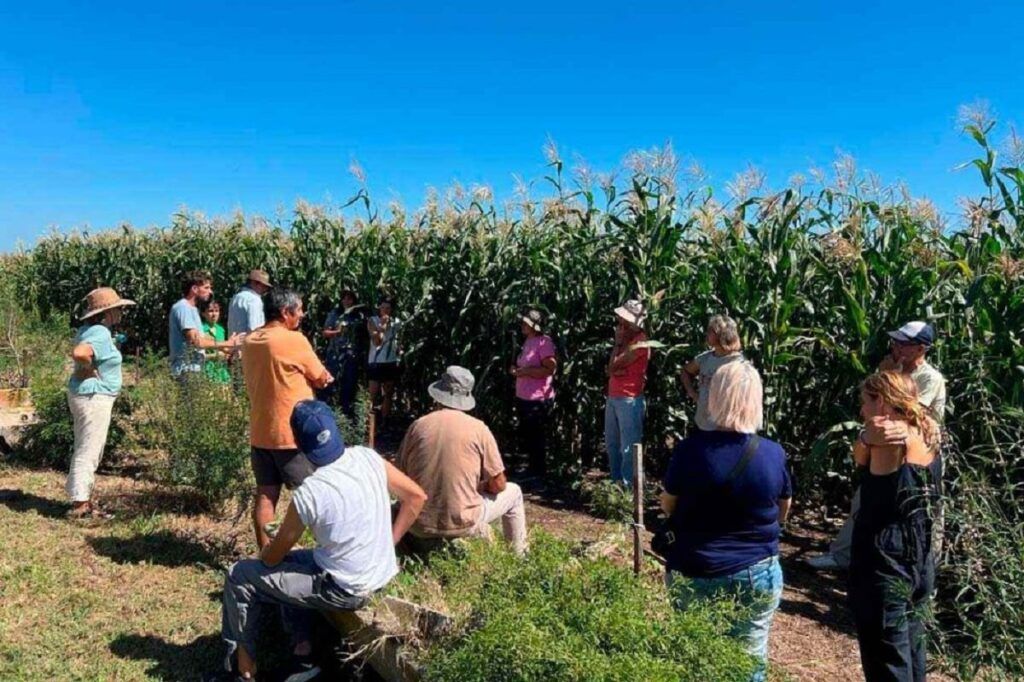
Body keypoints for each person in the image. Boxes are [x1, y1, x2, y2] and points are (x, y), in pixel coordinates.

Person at [205, 399, 427, 682]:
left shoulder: (310, 492)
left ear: (299, 443)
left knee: (240, 576)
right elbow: (417, 497)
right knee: (294, 565)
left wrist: (268, 549)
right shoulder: (368, 457)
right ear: (335, 430)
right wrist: (389, 541)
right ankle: (303, 655)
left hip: (345, 587)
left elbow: (272, 558)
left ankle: (243, 672)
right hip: (379, 572)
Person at [660, 361, 792, 682]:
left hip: (694, 568)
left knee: (695, 660)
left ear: (713, 397)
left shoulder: (689, 451)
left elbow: (667, 505)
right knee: (747, 665)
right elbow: (783, 509)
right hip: (755, 571)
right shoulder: (773, 454)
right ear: (756, 401)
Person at [805, 321, 946, 571]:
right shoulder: (892, 367)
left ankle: (921, 572)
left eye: (904, 343)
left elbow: (906, 413)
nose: (896, 347)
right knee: (865, 500)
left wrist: (888, 375)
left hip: (914, 457)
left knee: (917, 512)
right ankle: (845, 556)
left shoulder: (929, 378)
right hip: (885, 448)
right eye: (896, 341)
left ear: (922, 349)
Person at [848, 371, 939, 682]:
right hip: (921, 553)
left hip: (886, 555)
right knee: (912, 650)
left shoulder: (887, 438)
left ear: (882, 402)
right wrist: (863, 438)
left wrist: (867, 437)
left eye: (865, 402)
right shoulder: (927, 428)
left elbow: (863, 462)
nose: (862, 411)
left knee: (886, 658)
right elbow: (860, 456)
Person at [396, 366, 528, 554]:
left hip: (418, 524)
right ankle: (519, 555)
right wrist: (481, 487)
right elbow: (499, 485)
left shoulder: (418, 426)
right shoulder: (479, 429)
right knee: (514, 492)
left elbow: (400, 475)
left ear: (438, 395)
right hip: (463, 523)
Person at [242, 288, 334, 549]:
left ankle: (266, 553)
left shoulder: (251, 340)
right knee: (313, 495)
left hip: (261, 433)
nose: (302, 314)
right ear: (285, 312)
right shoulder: (294, 341)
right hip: (292, 436)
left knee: (266, 495)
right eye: (300, 309)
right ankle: (325, 552)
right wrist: (324, 377)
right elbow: (320, 376)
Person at [66, 287, 136, 519]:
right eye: (118, 309)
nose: (121, 313)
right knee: (89, 448)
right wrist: (91, 370)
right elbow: (80, 353)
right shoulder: (99, 332)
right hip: (94, 396)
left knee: (85, 445)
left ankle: (80, 496)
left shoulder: (90, 330)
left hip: (86, 394)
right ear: (108, 313)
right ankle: (80, 504)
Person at [604, 299, 650, 486]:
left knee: (628, 448)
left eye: (624, 320)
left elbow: (615, 365)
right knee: (612, 445)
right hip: (614, 397)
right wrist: (618, 348)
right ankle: (616, 485)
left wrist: (618, 343)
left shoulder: (641, 343)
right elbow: (610, 369)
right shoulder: (625, 341)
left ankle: (629, 491)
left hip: (629, 400)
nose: (620, 324)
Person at [510, 308, 557, 476]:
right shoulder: (528, 341)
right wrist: (517, 370)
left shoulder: (544, 342)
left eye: (526, 323)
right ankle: (532, 470)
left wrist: (526, 371)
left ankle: (539, 474)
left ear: (535, 326)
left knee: (537, 438)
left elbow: (550, 369)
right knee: (529, 436)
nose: (522, 325)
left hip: (538, 399)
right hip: (524, 396)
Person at [681, 315, 747, 431]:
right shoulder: (705, 358)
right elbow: (685, 371)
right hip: (702, 424)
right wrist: (692, 393)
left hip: (725, 429)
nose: (706, 334)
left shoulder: (738, 362)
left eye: (710, 331)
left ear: (721, 334)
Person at [168, 270, 238, 377]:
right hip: (186, 370)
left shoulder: (193, 309)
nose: (210, 292)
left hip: (194, 370)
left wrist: (225, 348)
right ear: (194, 289)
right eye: (206, 288)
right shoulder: (183, 308)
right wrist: (228, 343)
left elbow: (202, 338)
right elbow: (196, 341)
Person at [321, 289, 366, 419]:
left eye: (350, 299)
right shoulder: (335, 314)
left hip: (351, 355)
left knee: (349, 383)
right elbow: (325, 332)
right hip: (335, 354)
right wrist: (337, 332)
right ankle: (329, 410)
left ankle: (346, 412)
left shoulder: (358, 316)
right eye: (344, 299)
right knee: (332, 382)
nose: (347, 301)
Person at [367, 297, 401, 425]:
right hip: (376, 362)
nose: (385, 310)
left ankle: (384, 421)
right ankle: (367, 423)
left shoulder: (397, 322)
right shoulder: (372, 321)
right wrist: (382, 326)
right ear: (379, 308)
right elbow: (377, 341)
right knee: (372, 395)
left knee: (388, 394)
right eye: (383, 308)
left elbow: (399, 340)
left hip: (390, 362)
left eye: (388, 308)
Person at [227, 269, 273, 337]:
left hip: (233, 343)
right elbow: (254, 328)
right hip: (248, 344)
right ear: (253, 283)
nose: (265, 289)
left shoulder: (236, 297)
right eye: (262, 286)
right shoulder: (254, 300)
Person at [200, 299, 231, 384]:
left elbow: (224, 349)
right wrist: (215, 356)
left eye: (217, 311)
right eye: (210, 311)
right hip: (207, 372)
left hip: (222, 373)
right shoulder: (200, 330)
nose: (214, 314)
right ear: (203, 313)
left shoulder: (221, 329)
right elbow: (197, 356)